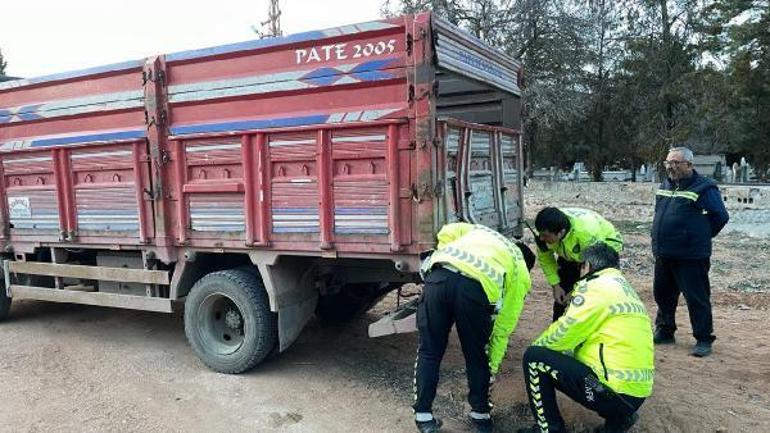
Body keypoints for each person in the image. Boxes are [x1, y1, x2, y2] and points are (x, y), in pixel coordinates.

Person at [518, 243, 654, 433]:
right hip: (634, 394)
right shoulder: (624, 290)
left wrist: (539, 350)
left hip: (612, 392)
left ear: (587, 266)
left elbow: (566, 331)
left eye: (580, 266)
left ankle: (549, 429)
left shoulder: (596, 287)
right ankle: (618, 420)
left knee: (534, 358)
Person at [413, 222, 536, 433]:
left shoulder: (482, 231)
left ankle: (424, 417)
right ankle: (481, 416)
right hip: (473, 291)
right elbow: (503, 327)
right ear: (527, 263)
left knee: (429, 351)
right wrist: (492, 366)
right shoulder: (520, 269)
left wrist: (449, 254)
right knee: (476, 355)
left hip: (438, 277)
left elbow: (446, 231)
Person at [652, 147, 729, 357]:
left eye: (676, 162)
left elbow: (720, 217)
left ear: (689, 165)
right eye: (668, 162)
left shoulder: (705, 188)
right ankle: (665, 330)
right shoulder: (665, 184)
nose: (671, 167)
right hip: (664, 253)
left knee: (697, 298)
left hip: (691, 255)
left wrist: (699, 236)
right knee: (663, 295)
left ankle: (704, 339)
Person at [533, 207, 623, 321]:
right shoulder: (545, 231)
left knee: (598, 290)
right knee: (564, 290)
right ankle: (559, 326)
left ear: (561, 232)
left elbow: (595, 271)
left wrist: (576, 291)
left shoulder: (586, 234)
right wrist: (555, 285)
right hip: (571, 249)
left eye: (545, 236)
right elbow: (545, 258)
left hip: (604, 248)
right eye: (540, 234)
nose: (541, 238)